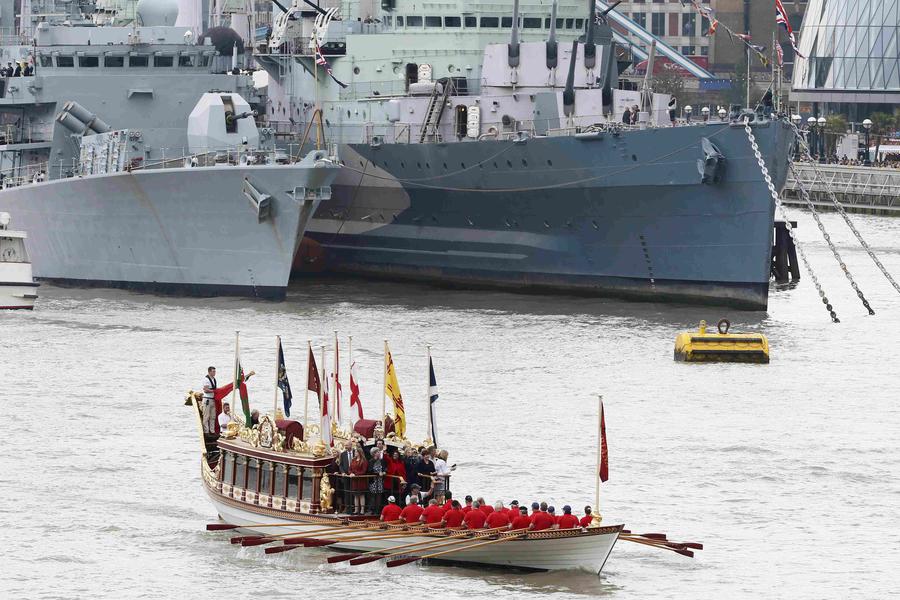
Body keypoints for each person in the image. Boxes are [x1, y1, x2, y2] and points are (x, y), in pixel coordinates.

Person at [349, 447, 369, 515]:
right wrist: (351, 473)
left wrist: (356, 474)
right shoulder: (353, 460)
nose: (355, 453)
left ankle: (362, 510)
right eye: (355, 452)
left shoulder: (364, 461)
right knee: (355, 495)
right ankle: (356, 509)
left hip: (361, 480)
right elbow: (350, 469)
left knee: (361, 495)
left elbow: (364, 471)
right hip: (354, 480)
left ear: (360, 453)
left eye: (356, 452)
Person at [368, 448, 387, 514]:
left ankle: (378, 510)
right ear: (374, 453)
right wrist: (377, 473)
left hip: (380, 481)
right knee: (373, 495)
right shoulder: (371, 461)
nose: (379, 453)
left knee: (379, 495)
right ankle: (372, 510)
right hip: (373, 481)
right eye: (378, 452)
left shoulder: (381, 461)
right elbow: (369, 471)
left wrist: (384, 472)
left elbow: (384, 468)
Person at [338, 443, 355, 512]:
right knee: (346, 492)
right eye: (345, 445)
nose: (345, 446)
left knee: (354, 492)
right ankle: (347, 508)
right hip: (346, 477)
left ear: (351, 445)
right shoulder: (343, 454)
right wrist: (342, 472)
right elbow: (341, 465)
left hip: (354, 476)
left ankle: (354, 507)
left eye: (347, 445)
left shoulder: (355, 452)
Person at [201, 366, 218, 433]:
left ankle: (212, 431)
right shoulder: (206, 379)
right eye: (213, 371)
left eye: (215, 371)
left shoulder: (214, 379)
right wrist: (214, 391)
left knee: (212, 416)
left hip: (213, 399)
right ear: (209, 372)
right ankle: (206, 432)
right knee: (206, 416)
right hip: (207, 400)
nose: (214, 373)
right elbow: (205, 390)